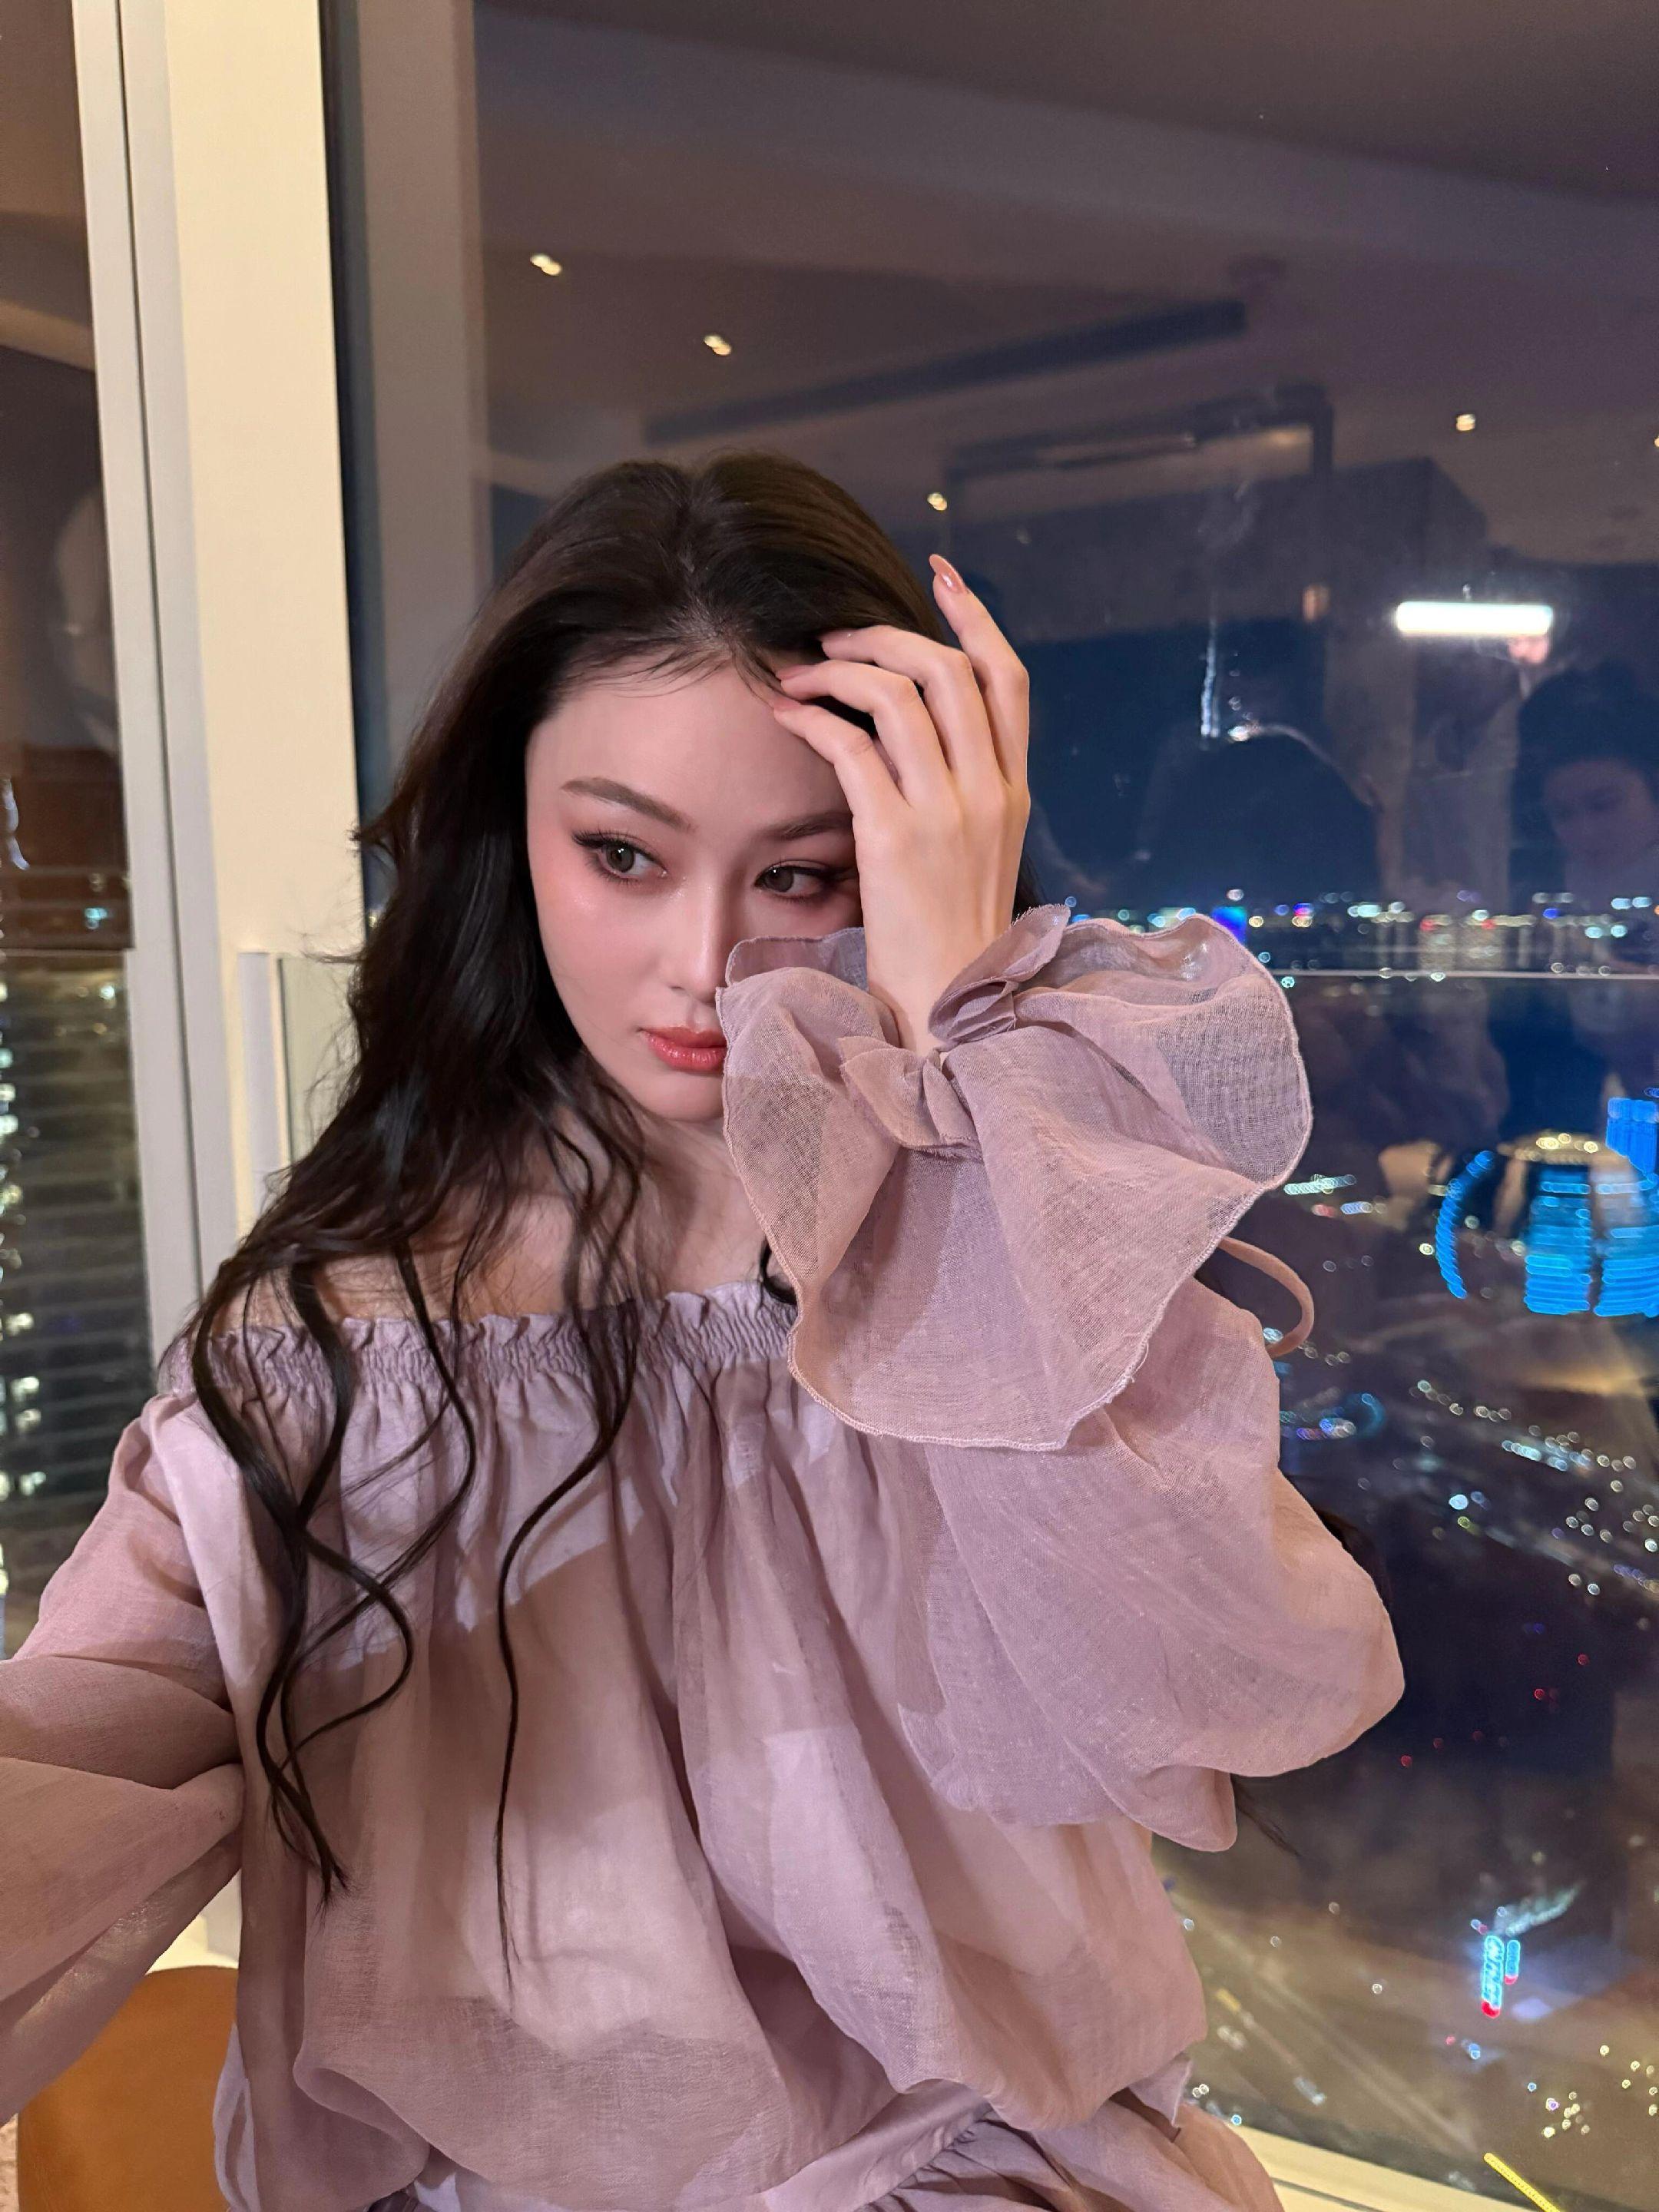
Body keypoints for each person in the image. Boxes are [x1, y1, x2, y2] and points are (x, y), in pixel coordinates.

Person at [0, 455, 1402, 2212]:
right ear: (508, 831)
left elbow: (1203, 1688)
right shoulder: (341, 1345)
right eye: (621, 854)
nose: (698, 961)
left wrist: (958, 1039)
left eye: (801, 874)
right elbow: (90, 1734)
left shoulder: (974, 1247)